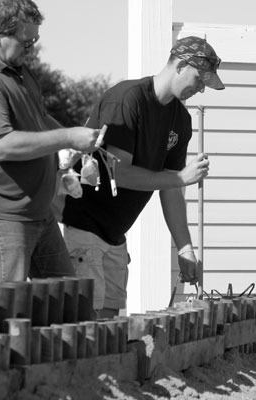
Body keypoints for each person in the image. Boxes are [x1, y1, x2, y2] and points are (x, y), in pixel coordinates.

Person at [61, 36, 225, 318]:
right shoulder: (128, 99)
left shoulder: (180, 121)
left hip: (115, 234)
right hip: (85, 226)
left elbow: (171, 188)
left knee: (110, 322)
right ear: (180, 66)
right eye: (199, 79)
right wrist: (178, 179)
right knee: (89, 325)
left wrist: (185, 247)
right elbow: (118, 172)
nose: (201, 89)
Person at [0, 0, 105, 284]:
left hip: (36, 210)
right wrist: (69, 136)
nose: (31, 48)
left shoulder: (17, 70)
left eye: (35, 40)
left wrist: (76, 141)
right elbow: (1, 145)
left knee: (67, 303)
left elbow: (40, 118)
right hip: (2, 214)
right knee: (8, 310)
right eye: (26, 41)